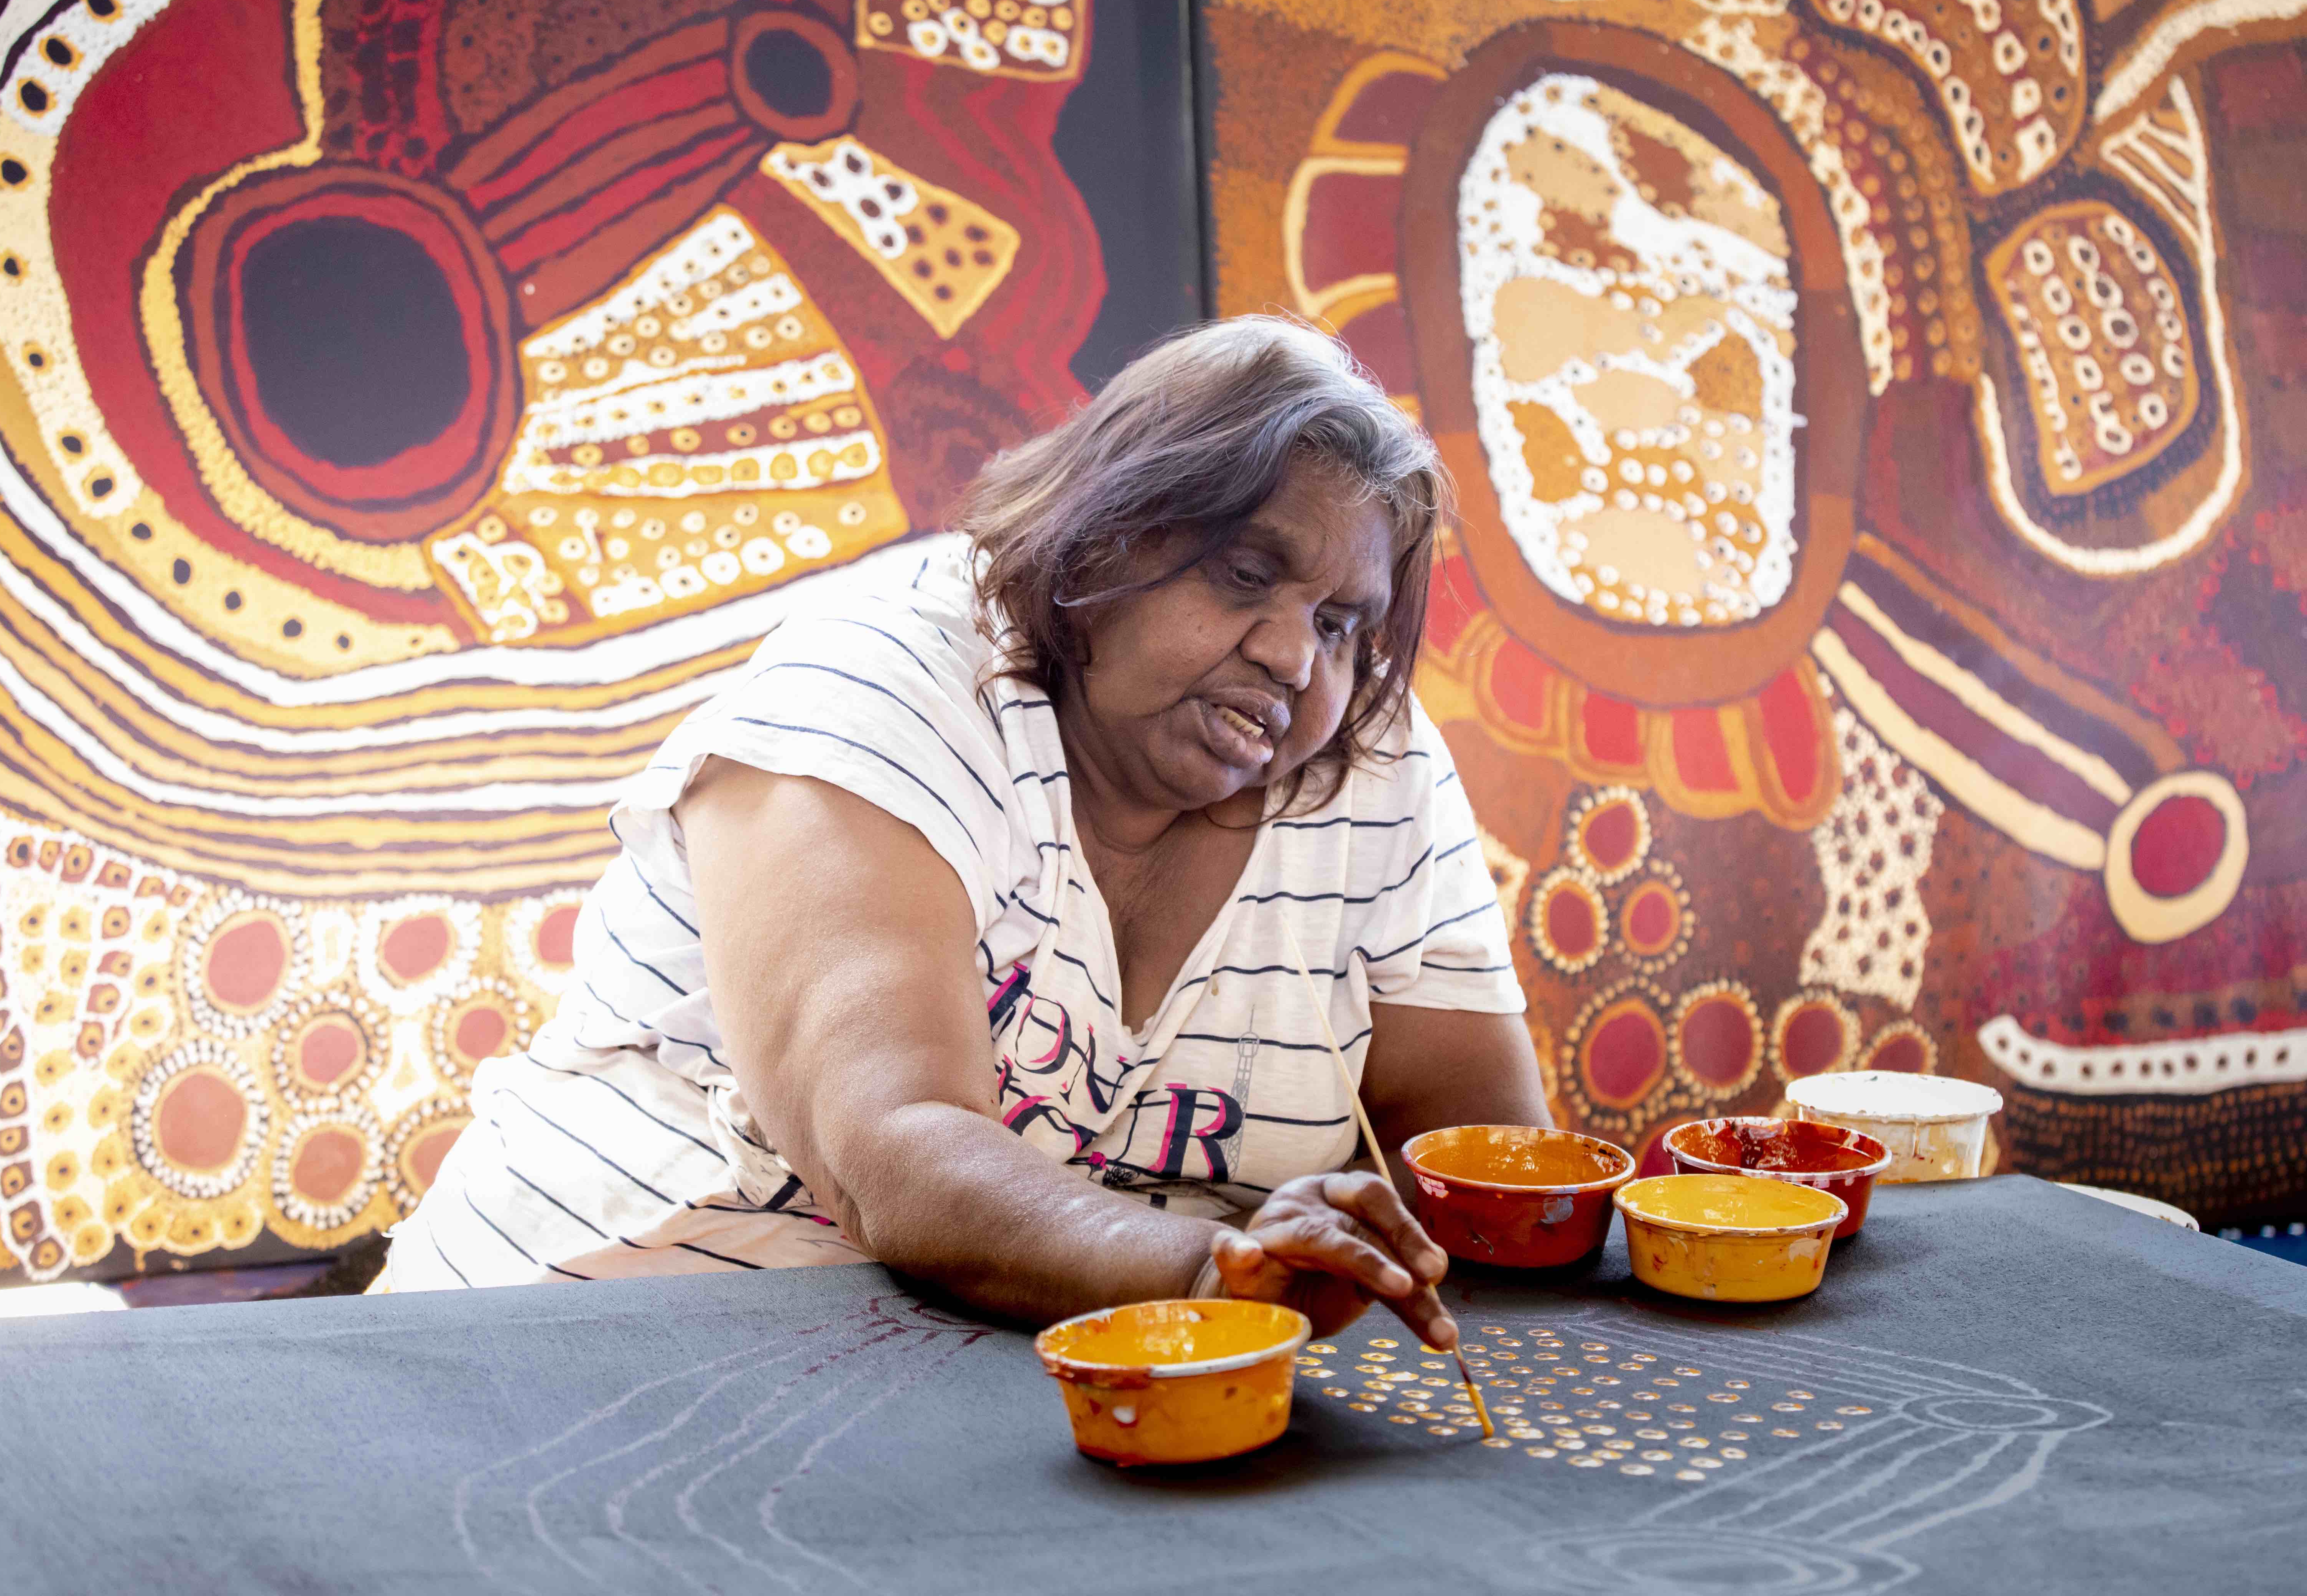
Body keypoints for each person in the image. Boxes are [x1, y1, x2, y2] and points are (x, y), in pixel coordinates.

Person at [379, 318, 1551, 1348]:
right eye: (1248, 574)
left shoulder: (1370, 767)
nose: (1297, 660)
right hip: (571, 1338)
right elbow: (898, 1148)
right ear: (1106, 534)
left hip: (981, 1387)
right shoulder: (891, 679)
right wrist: (1209, 1274)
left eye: (1345, 624)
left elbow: (1479, 1160)